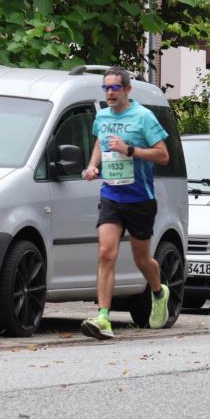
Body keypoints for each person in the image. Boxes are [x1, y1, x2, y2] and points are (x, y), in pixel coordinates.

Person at [81, 67, 171, 340]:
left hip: (140, 198)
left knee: (142, 259)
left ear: (127, 90)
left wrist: (129, 150)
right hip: (112, 194)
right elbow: (100, 141)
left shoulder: (144, 117)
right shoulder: (103, 115)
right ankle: (103, 317)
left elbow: (163, 156)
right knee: (106, 253)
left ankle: (159, 292)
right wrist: (92, 166)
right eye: (105, 88)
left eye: (114, 88)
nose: (109, 93)